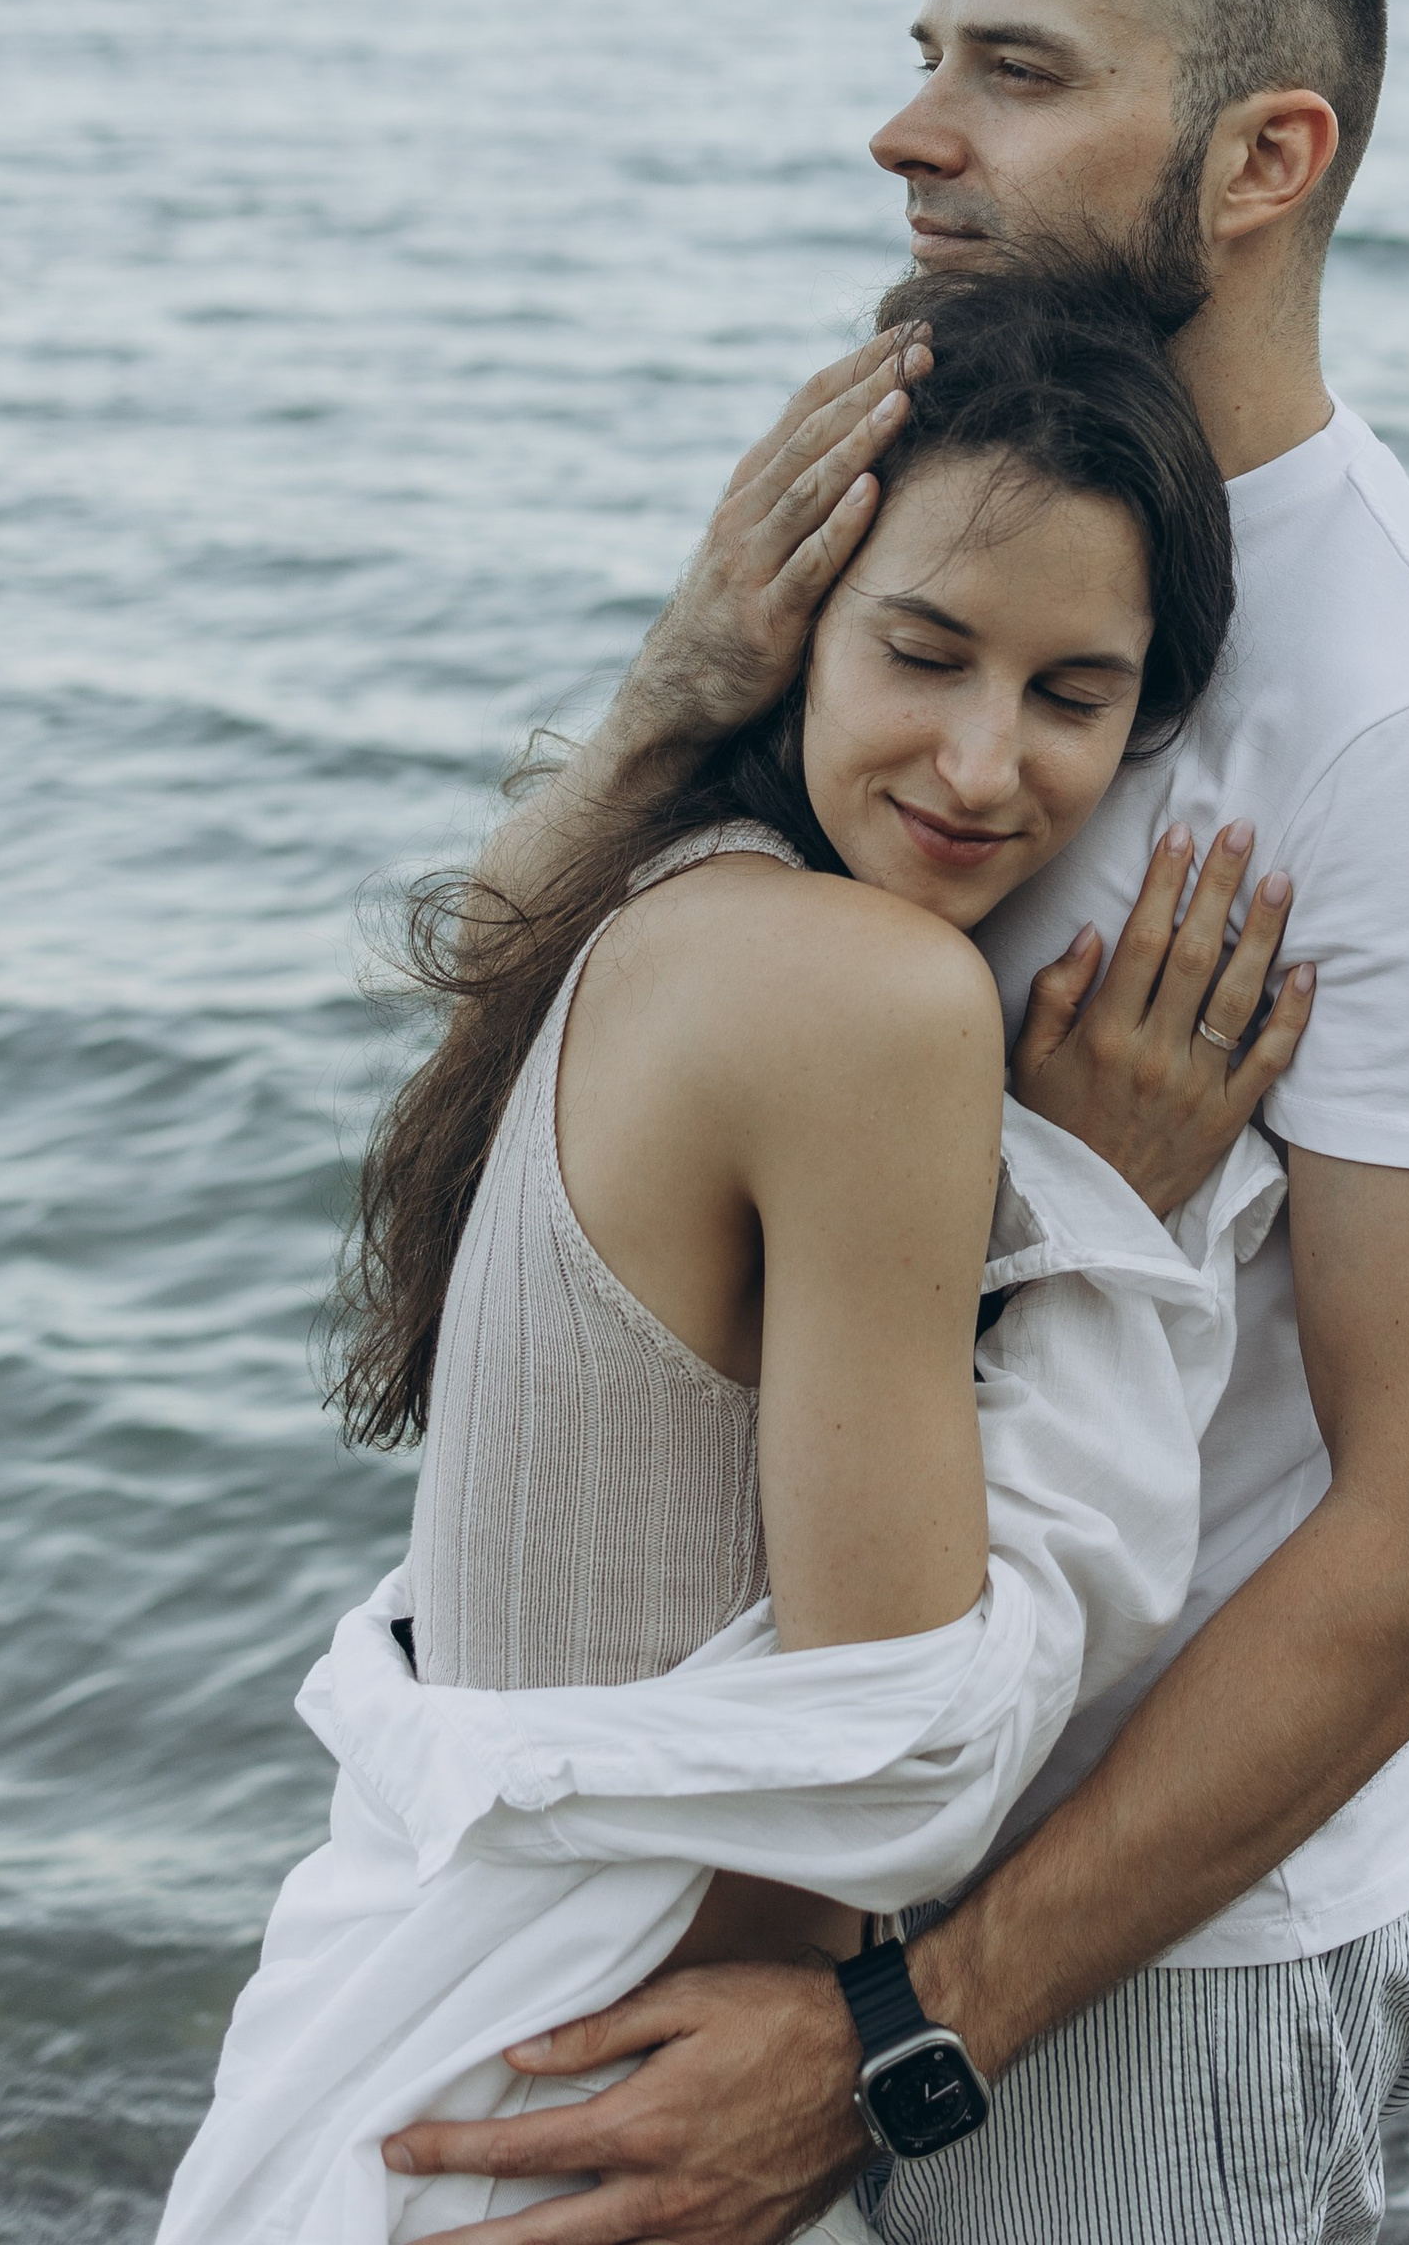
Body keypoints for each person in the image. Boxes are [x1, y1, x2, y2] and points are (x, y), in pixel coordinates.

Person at [383, 0, 1409, 2245]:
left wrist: (908, 2033)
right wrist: (675, 686)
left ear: (1266, 155)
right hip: (779, 1863)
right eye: (923, 54)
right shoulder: (942, 498)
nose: (907, 129)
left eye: (1016, 71)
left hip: (1117, 1957)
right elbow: (509, 1036)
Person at [158, 272, 1313, 2245]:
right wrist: (1102, 1236)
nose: (976, 767)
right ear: (799, 630)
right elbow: (888, 1767)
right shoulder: (868, 996)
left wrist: (670, 677)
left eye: (1070, 697)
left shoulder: (650, 895)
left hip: (416, 2043)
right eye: (922, 653)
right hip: (592, 2106)